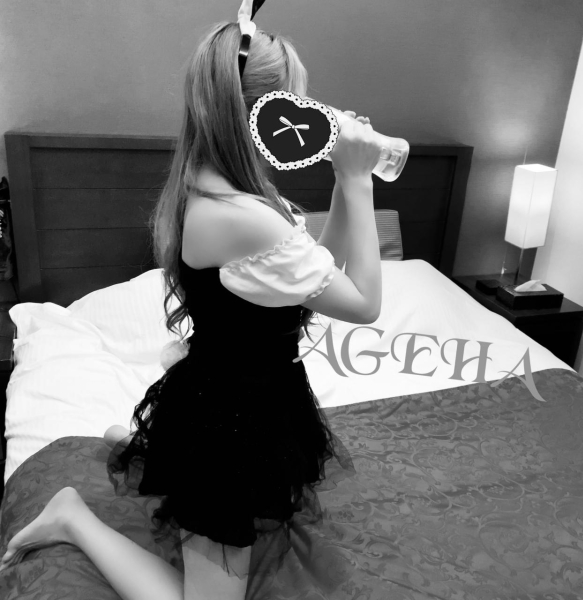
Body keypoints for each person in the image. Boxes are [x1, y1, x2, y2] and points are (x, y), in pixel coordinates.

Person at [0, 16, 382, 600]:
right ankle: (72, 517)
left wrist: (340, 180)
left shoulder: (227, 189)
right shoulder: (238, 215)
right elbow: (365, 303)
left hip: (241, 395)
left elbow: (312, 276)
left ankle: (144, 448)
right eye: (298, 103)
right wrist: (360, 183)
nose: (310, 117)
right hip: (229, 419)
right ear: (266, 112)